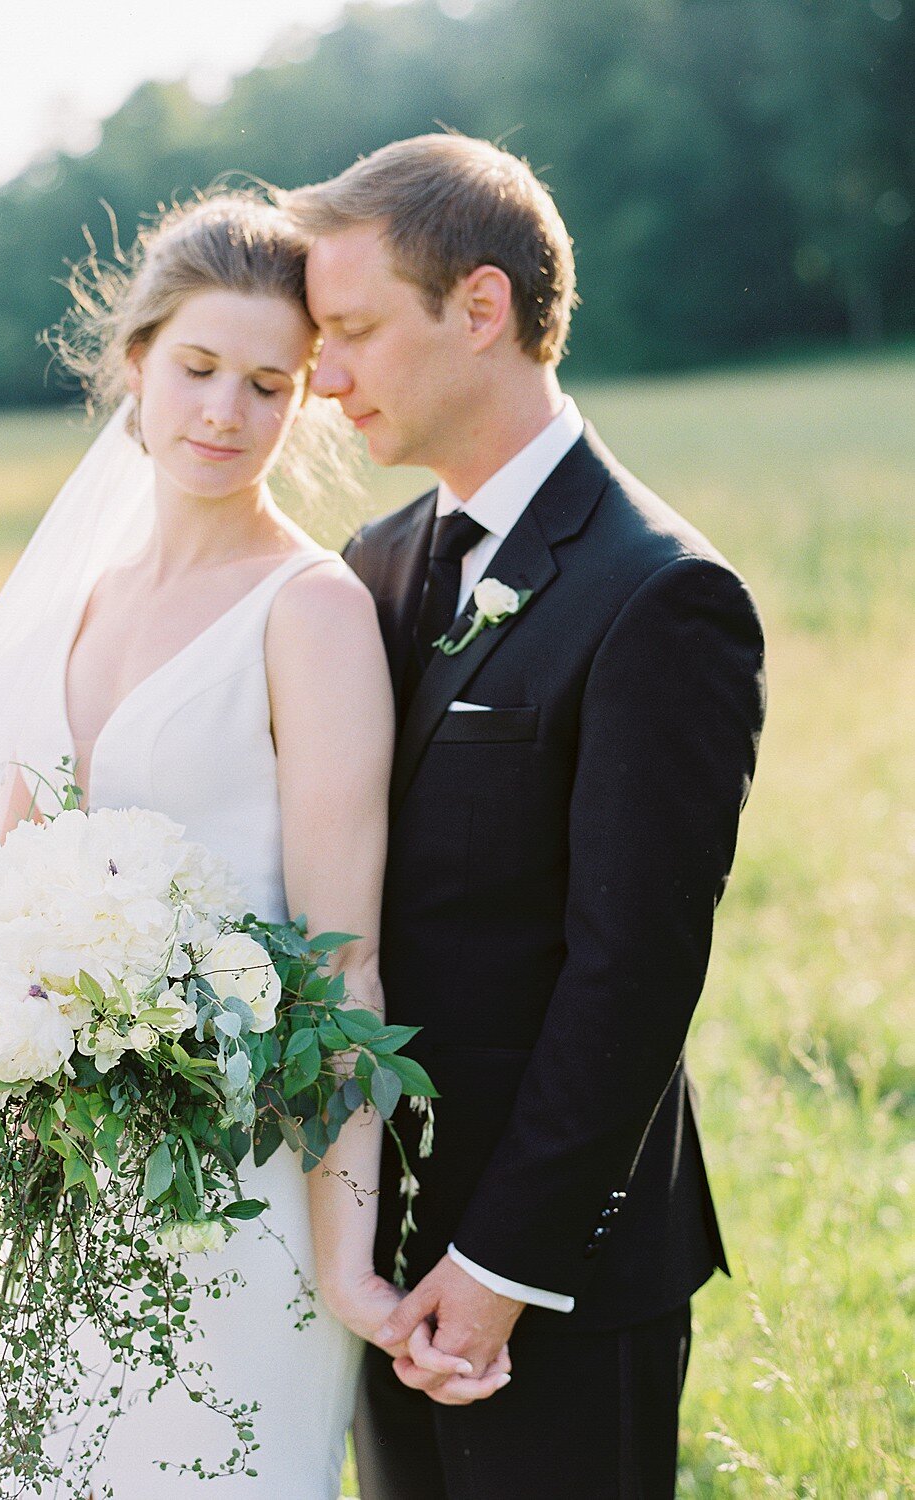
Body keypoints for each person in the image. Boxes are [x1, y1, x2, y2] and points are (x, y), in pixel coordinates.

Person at [0, 194, 498, 1500]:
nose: (225, 412)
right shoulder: (84, 601)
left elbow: (344, 964)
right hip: (52, 1184)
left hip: (239, 1186)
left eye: (268, 384)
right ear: (133, 362)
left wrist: (346, 1258)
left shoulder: (310, 614)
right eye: (198, 368)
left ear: (303, 403)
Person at [283, 135, 767, 1498]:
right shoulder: (372, 568)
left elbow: (634, 972)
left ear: (480, 308)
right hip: (379, 1253)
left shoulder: (660, 596)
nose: (326, 379)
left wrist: (500, 1268)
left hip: (555, 1271)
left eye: (355, 332)